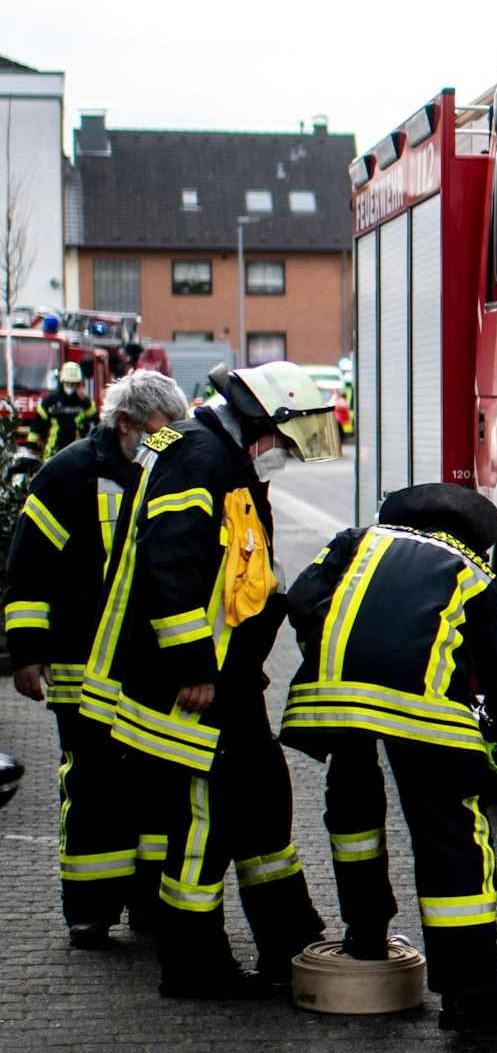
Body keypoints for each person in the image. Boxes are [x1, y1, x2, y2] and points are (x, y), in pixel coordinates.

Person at [90, 361, 339, 996]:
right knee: (209, 816)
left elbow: (237, 572)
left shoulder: (218, 456)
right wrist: (192, 665)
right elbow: (169, 562)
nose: (286, 453)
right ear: (259, 422)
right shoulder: (199, 456)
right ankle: (193, 963)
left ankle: (289, 942)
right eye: (284, 439)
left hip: (228, 682)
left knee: (263, 798)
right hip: (190, 687)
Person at [281, 482, 497, 1030]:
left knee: (352, 812)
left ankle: (366, 935)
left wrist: (339, 652)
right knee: (451, 835)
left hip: (335, 698)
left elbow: (301, 599)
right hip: (426, 713)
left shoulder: (355, 541)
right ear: (476, 538)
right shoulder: (478, 575)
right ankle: (472, 995)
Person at [5, 370, 186, 946]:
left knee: (157, 783)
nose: (168, 439)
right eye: (160, 429)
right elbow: (28, 566)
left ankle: (149, 903)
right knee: (93, 784)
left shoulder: (167, 471)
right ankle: (90, 910)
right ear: (126, 423)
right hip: (82, 666)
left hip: (145, 666)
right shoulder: (69, 473)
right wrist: (27, 653)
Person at [28, 361, 100, 462]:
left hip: (77, 453)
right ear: (62, 382)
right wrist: (32, 447)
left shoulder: (84, 402)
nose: (71, 387)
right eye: (68, 384)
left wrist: (85, 401)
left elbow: (95, 418)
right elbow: (37, 425)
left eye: (74, 384)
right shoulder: (50, 401)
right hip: (52, 454)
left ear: (79, 384)